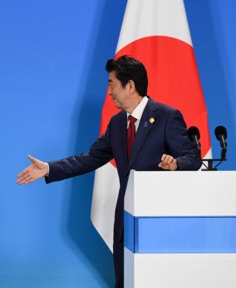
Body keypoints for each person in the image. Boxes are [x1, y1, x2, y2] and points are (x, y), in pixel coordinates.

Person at [16, 55, 201, 288]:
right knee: (124, 280)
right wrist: (49, 169)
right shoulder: (116, 123)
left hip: (158, 221)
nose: (109, 91)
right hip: (126, 218)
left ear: (130, 86)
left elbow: (193, 158)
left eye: (112, 84)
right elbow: (91, 158)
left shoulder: (166, 116)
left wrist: (175, 165)